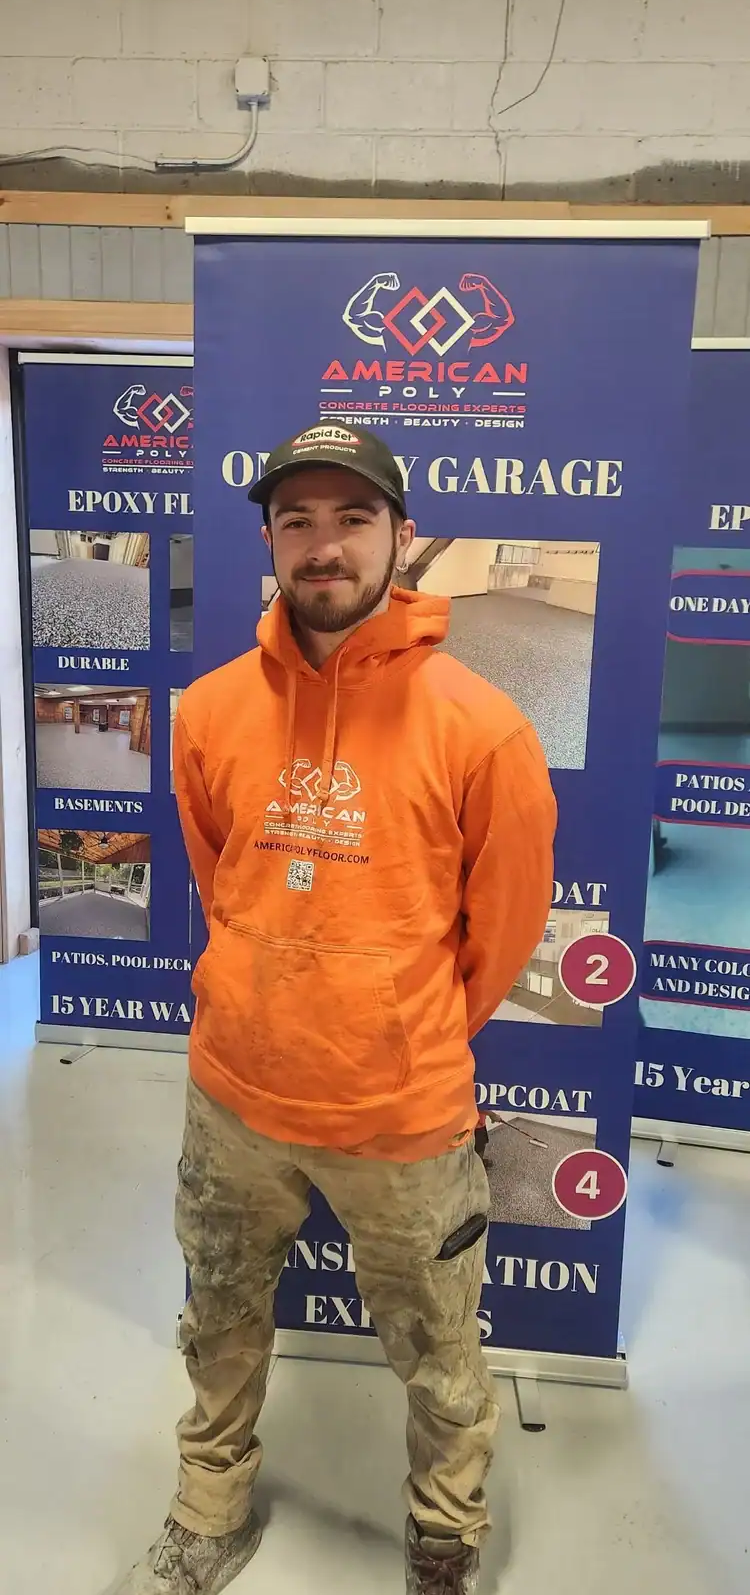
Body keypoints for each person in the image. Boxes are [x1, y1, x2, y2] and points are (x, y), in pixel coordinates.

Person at [115, 423, 556, 1595]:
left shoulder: (482, 727)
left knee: (441, 1353)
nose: (324, 546)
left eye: (352, 519)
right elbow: (223, 880)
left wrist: (397, 1029)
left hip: (403, 1118)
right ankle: (210, 1506)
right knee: (219, 1322)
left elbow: (503, 928)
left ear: (400, 537)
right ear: (267, 540)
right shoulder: (209, 710)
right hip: (235, 1100)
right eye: (297, 521)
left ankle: (446, 1534)